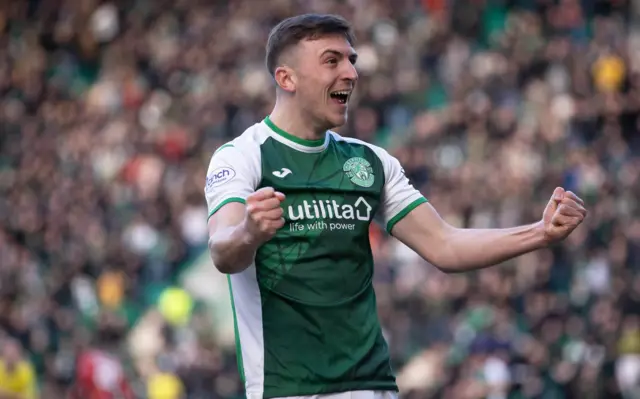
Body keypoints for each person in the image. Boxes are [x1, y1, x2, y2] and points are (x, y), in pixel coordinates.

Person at [204, 13, 588, 399]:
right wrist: (249, 232)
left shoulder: (369, 163)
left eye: (351, 59)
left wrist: (539, 233)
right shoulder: (242, 157)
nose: (351, 73)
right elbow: (224, 251)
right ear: (286, 78)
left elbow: (445, 245)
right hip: (289, 389)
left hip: (374, 385)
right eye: (332, 60)